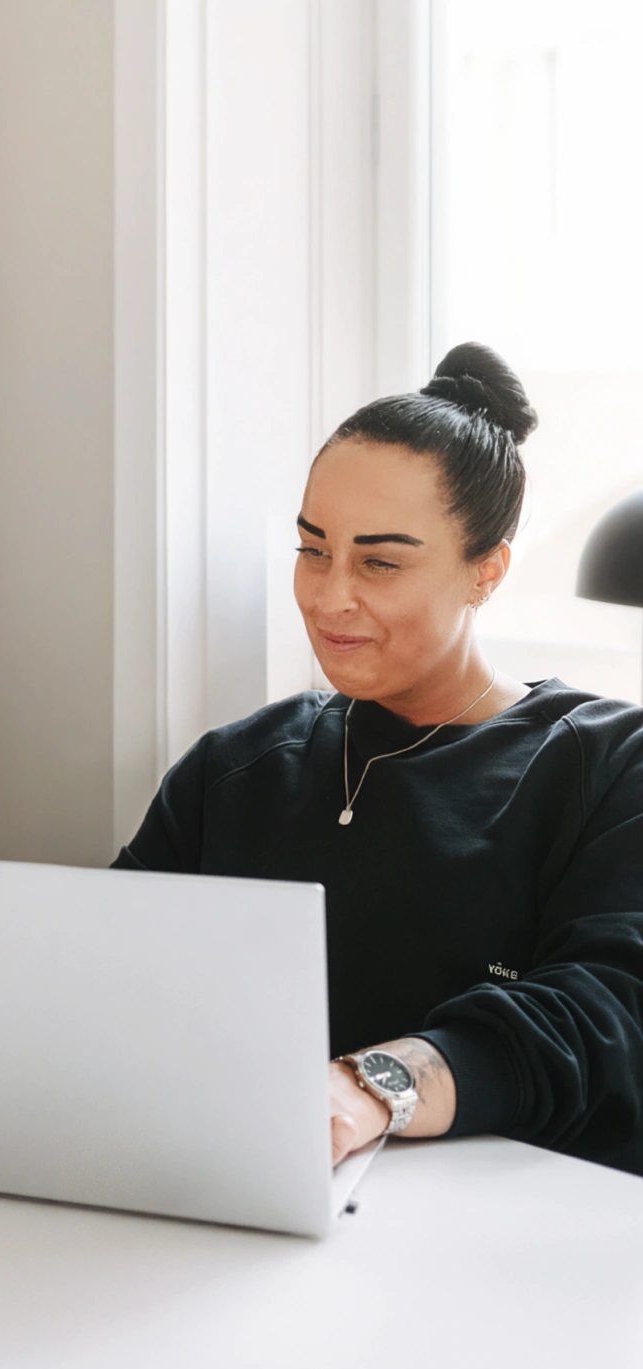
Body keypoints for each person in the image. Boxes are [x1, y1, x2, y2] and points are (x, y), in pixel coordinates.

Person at [114, 342, 643, 1176]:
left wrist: (371, 1088)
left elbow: (607, 1014)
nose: (330, 597)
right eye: (312, 550)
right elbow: (104, 972)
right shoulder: (236, 769)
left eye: (381, 562)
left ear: (487, 572)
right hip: (255, 1193)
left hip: (512, 1220)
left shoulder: (608, 766)